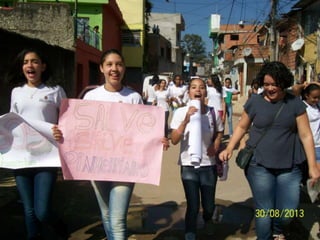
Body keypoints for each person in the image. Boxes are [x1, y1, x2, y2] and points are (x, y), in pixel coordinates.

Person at [52, 49, 169, 240]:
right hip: (97, 165)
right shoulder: (90, 97)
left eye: (119, 64)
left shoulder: (134, 97)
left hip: (126, 167)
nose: (114, 68)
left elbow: (142, 133)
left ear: (124, 68)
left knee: (117, 219)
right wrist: (61, 133)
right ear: (102, 68)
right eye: (110, 64)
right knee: (106, 215)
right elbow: (78, 131)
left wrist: (157, 139)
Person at [219, 61, 320, 240]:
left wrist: (313, 166)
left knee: (288, 211)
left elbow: (306, 135)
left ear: (283, 83)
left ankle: (278, 228)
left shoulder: (295, 103)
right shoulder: (255, 102)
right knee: (264, 211)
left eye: (274, 84)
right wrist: (229, 147)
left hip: (291, 166)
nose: (270, 88)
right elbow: (242, 127)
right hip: (259, 165)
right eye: (266, 84)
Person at [7, 48, 68, 240]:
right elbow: (11, 121)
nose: (30, 65)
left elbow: (69, 119)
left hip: (46, 158)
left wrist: (61, 130)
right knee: (29, 210)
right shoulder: (16, 92)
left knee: (42, 211)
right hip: (21, 157)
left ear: (43, 66)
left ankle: (61, 229)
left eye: (34, 61)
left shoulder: (55, 91)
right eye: (26, 62)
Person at [170, 78, 224, 240]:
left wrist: (215, 145)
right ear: (189, 92)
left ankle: (208, 219)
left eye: (201, 87)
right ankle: (190, 234)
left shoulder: (212, 112)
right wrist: (186, 120)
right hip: (188, 167)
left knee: (208, 205)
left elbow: (220, 132)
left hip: (209, 165)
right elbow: (174, 140)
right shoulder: (180, 112)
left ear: (205, 92)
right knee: (193, 206)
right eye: (194, 87)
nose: (198, 90)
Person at [300, 83, 320, 237]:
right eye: (314, 97)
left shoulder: (317, 106)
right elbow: (292, 91)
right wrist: (302, 85)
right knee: (308, 178)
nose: (316, 100)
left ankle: (315, 195)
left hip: (318, 147)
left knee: (317, 178)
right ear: (306, 95)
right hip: (306, 147)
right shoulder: (301, 107)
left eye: (318, 97)